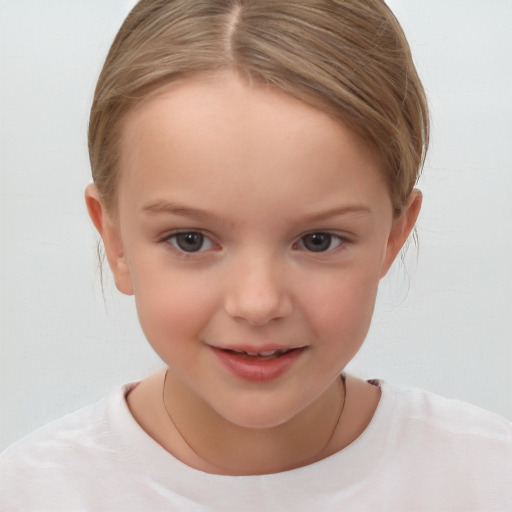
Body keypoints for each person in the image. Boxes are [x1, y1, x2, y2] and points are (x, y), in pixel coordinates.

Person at [1, 0, 510, 509]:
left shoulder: (487, 479)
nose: (258, 303)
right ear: (114, 239)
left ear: (393, 235)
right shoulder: (30, 493)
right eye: (191, 240)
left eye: (318, 240)